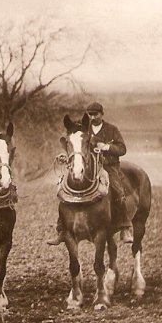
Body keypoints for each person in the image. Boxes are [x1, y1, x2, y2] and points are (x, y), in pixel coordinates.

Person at [47, 101, 133, 245]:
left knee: (118, 190)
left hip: (108, 166)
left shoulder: (112, 129)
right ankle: (61, 230)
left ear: (102, 114)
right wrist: (67, 156)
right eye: (91, 114)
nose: (93, 117)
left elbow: (122, 149)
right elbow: (75, 145)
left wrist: (106, 147)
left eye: (96, 114)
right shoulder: (84, 128)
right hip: (87, 166)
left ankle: (125, 228)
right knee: (63, 191)